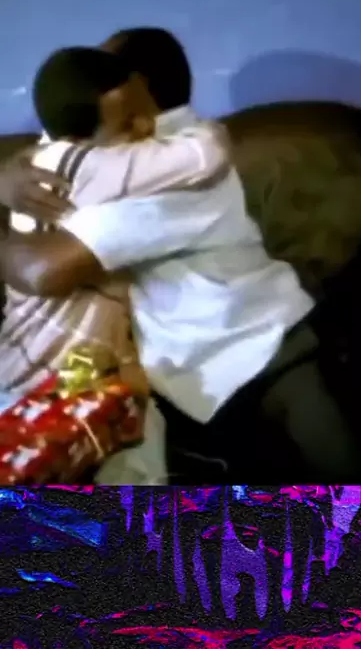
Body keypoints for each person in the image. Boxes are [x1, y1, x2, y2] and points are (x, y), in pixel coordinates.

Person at [0, 28, 359, 481]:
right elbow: (56, 150)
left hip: (261, 358)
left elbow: (41, 271)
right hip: (199, 374)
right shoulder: (129, 149)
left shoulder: (164, 173)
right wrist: (6, 177)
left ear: (137, 89)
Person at [0, 44, 230, 483]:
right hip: (49, 376)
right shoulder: (88, 167)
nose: (146, 127)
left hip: (70, 368)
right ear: (84, 137)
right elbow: (209, 152)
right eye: (129, 121)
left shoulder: (48, 159)